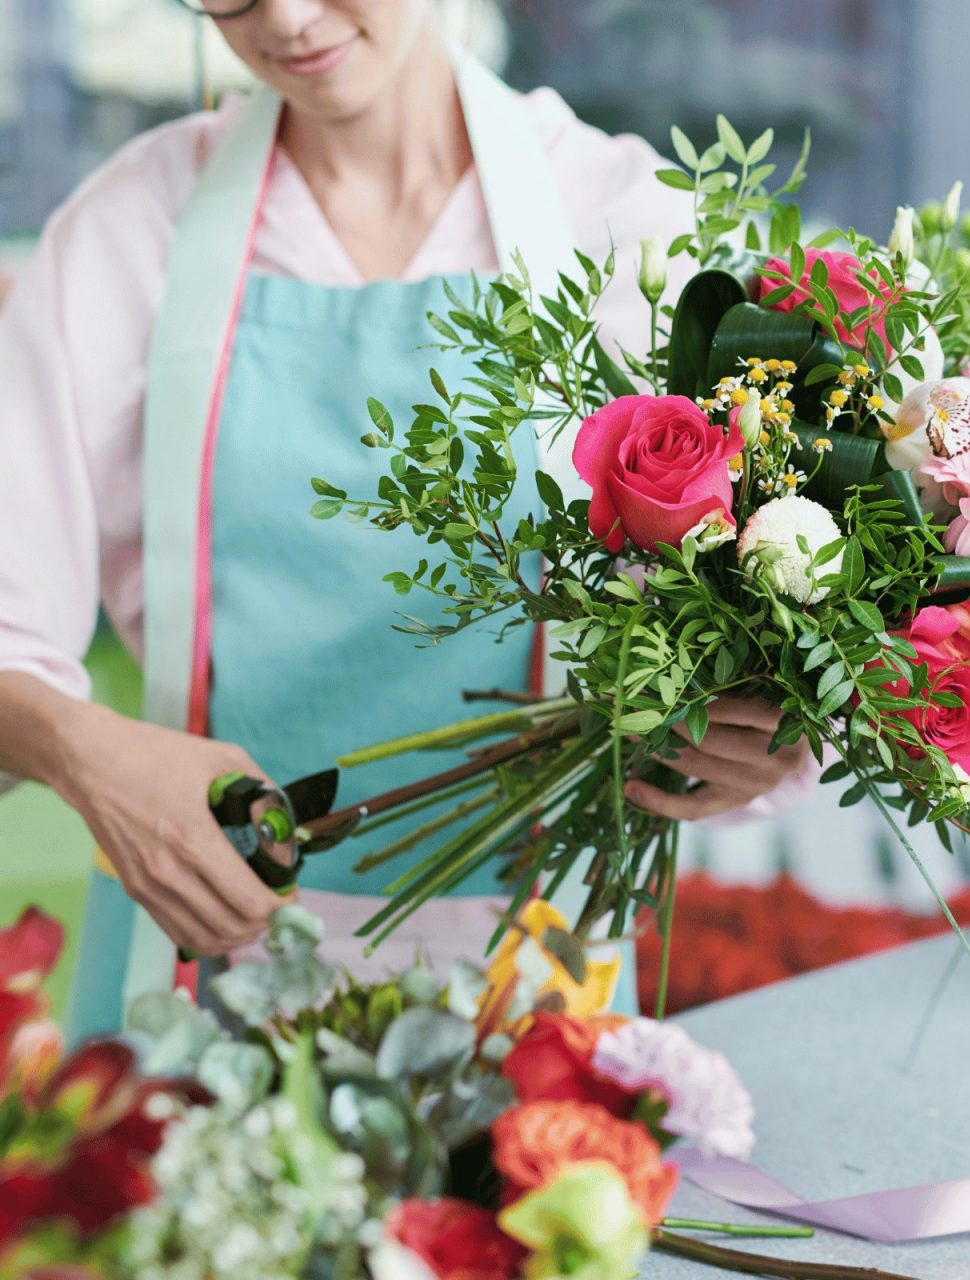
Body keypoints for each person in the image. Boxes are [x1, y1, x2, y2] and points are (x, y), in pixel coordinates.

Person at [0, 0, 811, 1038]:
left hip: (529, 986)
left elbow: (773, 583)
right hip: (191, 963)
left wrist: (764, 730)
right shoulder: (127, 233)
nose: (285, 20)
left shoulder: (627, 227)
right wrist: (86, 753)